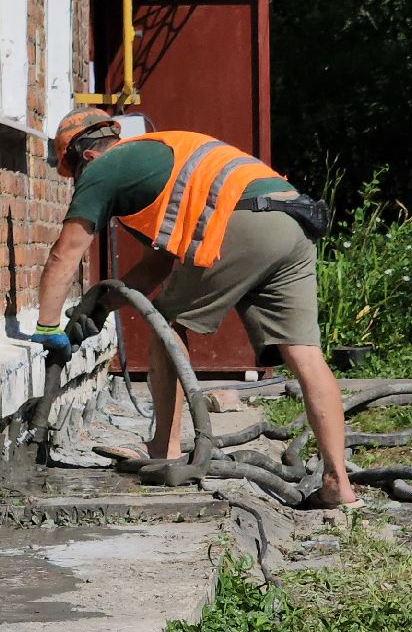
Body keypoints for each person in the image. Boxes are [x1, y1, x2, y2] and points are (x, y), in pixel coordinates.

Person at [29, 107, 361, 509]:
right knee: (305, 353)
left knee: (164, 323)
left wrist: (48, 327)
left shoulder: (104, 168)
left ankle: (163, 449)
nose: (79, 184)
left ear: (86, 156)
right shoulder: (154, 158)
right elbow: (159, 264)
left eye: (74, 175)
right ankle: (338, 482)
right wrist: (102, 305)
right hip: (292, 220)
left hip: (242, 220)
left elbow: (64, 254)